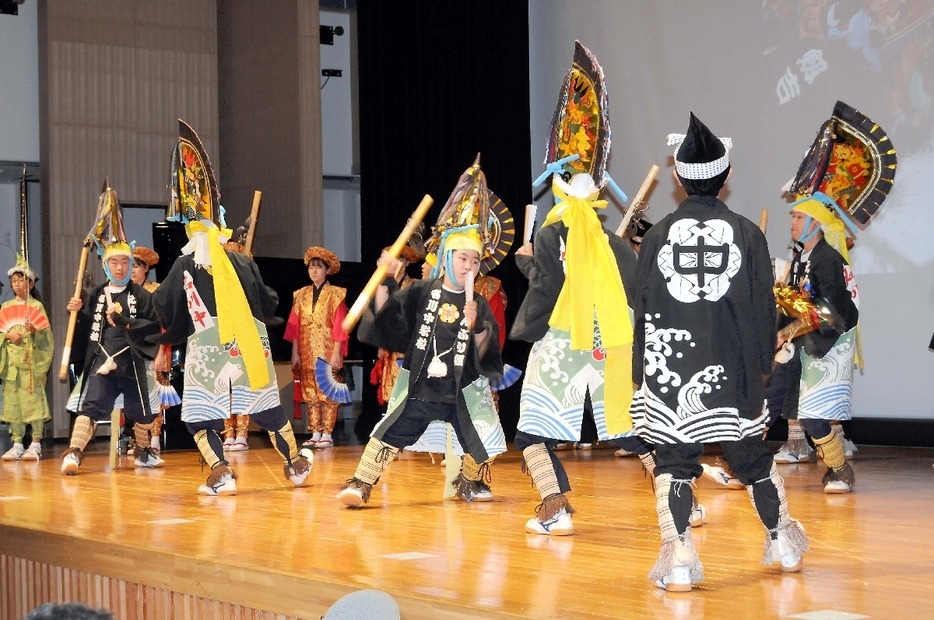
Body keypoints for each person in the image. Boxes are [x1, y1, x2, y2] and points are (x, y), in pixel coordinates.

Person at [631, 113, 808, 591]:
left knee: (673, 461)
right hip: (733, 373)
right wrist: (761, 372)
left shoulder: (656, 236)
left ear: (678, 176)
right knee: (750, 456)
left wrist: (641, 373)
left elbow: (641, 308)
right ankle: (783, 542)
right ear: (727, 176)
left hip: (670, 368)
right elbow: (762, 313)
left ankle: (682, 559)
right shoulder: (749, 235)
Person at [153, 121, 312, 495]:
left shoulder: (185, 264)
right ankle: (296, 463)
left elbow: (166, 305)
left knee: (199, 416)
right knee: (265, 408)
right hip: (248, 342)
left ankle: (221, 470)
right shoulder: (239, 260)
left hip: (209, 343)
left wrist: (172, 334)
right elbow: (268, 300)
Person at [337, 159, 505, 507]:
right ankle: (362, 483)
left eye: (475, 261)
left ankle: (470, 482)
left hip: (462, 388)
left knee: (484, 435)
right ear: (446, 256)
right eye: (462, 258)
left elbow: (488, 349)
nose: (469, 266)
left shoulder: (481, 302)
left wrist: (476, 328)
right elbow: (390, 321)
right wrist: (384, 279)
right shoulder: (421, 291)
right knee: (389, 430)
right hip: (422, 386)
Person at [767, 101, 897, 494]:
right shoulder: (802, 256)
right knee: (772, 400)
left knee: (814, 417)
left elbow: (832, 310)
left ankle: (840, 469)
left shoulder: (828, 258)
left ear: (816, 224)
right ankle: (742, 462)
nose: (792, 222)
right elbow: (801, 301)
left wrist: (788, 326)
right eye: (791, 216)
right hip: (803, 341)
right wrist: (779, 296)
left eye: (798, 217)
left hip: (828, 343)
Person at [62, 185, 165, 475]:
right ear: (106, 265)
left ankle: (144, 452)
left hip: (133, 361)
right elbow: (82, 330)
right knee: (91, 405)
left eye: (124, 262)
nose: (120, 268)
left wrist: (151, 349)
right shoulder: (95, 294)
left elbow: (153, 328)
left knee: (143, 410)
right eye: (114, 263)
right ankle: (74, 453)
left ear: (132, 265)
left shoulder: (143, 296)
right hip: (102, 362)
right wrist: (76, 312)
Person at [284, 246, 349, 449]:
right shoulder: (300, 295)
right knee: (310, 391)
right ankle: (314, 431)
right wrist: (295, 352)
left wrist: (338, 352)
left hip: (328, 349)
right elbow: (294, 325)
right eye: (311, 267)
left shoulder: (336, 294)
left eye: (319, 267)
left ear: (327, 270)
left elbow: (340, 324)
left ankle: (327, 433)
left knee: (328, 391)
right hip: (306, 349)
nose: (314, 271)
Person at [0, 255, 53, 461]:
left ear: (30, 284)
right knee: (13, 404)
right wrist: (7, 335)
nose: (17, 284)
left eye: (21, 280)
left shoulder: (36, 307)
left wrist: (33, 332)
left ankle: (36, 442)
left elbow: (46, 337)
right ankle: (17, 443)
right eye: (14, 281)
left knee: (34, 403)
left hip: (31, 364)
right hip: (11, 366)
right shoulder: (5, 308)